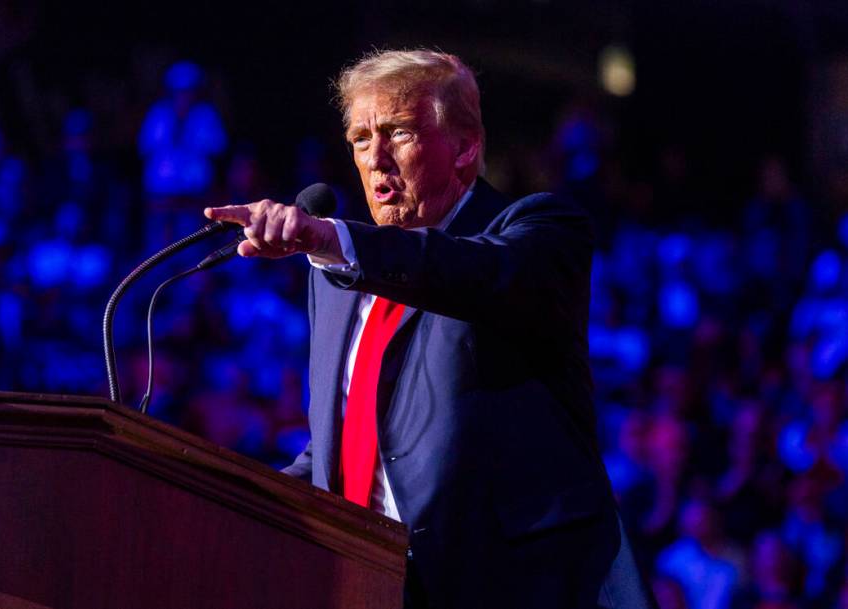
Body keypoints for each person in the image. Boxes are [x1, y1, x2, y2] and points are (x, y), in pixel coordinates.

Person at [206, 49, 653, 608]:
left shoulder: (537, 233)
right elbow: (349, 444)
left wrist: (330, 241)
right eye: (361, 139)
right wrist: (231, 501)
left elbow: (467, 273)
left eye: (399, 132)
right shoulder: (335, 274)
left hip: (509, 586)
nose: (376, 158)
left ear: (465, 147)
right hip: (369, 586)